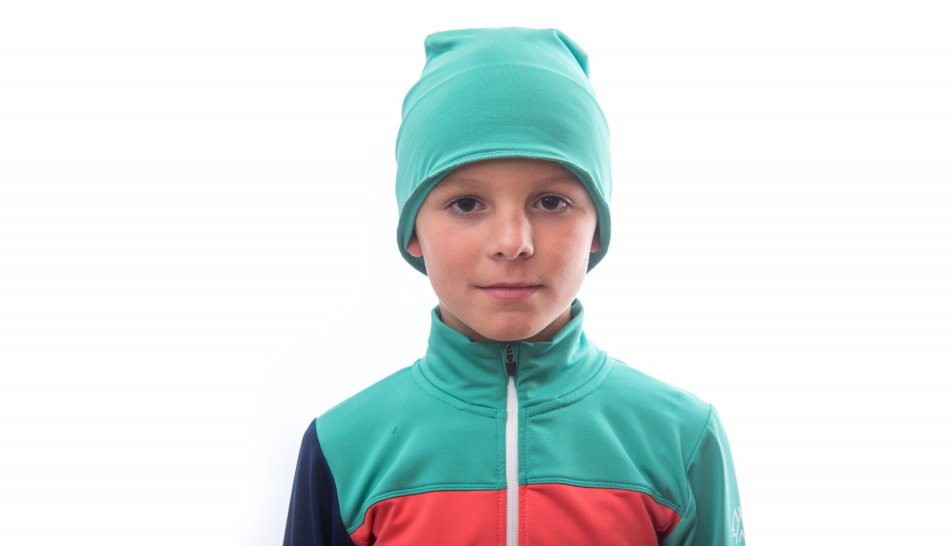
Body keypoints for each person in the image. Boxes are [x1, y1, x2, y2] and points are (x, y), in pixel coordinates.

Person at [283, 27, 745, 546]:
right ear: (412, 231)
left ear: (598, 228)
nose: (512, 243)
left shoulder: (681, 441)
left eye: (551, 202)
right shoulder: (343, 446)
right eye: (466, 204)